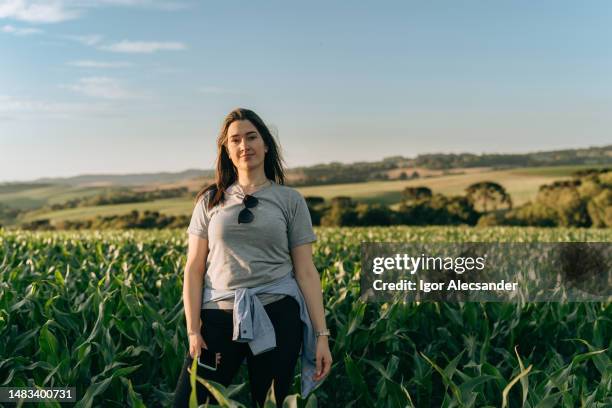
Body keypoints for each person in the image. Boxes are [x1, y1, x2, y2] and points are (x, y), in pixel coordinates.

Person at [173, 108, 332, 407]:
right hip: (217, 319)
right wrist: (194, 330)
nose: (245, 145)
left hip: (277, 316)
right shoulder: (210, 201)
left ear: (266, 144)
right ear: (227, 149)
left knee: (269, 403)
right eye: (236, 140)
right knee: (188, 402)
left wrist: (321, 336)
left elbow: (306, 272)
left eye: (252, 137)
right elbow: (193, 269)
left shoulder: (290, 200)